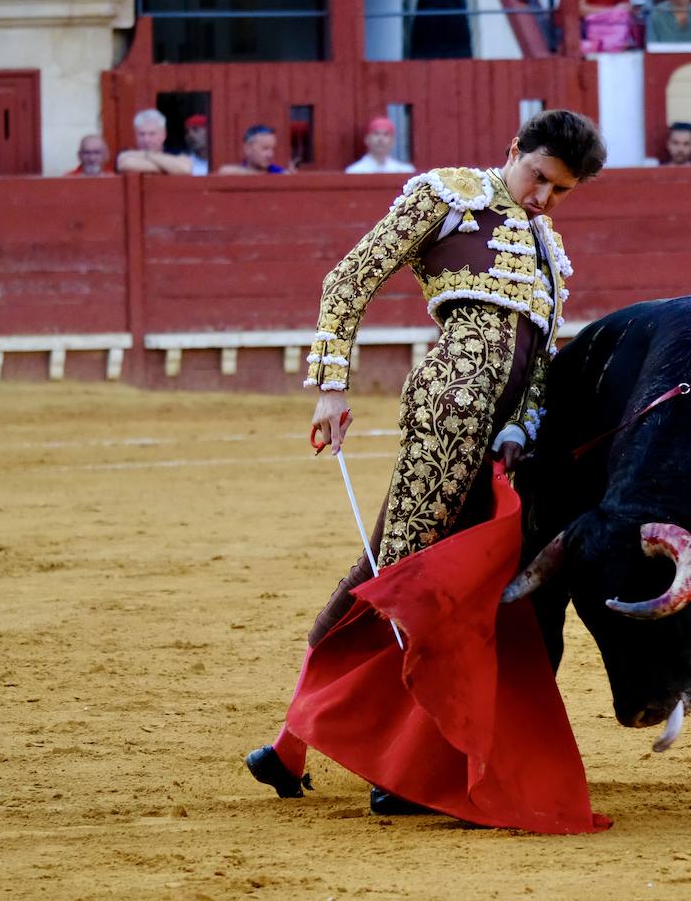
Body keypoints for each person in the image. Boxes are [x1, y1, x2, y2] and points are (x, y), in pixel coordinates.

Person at [244, 109, 606, 819]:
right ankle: (383, 765)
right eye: (539, 177)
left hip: (506, 445)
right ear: (514, 149)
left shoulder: (547, 250)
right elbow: (349, 279)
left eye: (560, 191)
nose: (543, 198)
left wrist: (523, 428)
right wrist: (331, 387)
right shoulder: (449, 194)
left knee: (425, 578)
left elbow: (539, 367)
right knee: (408, 575)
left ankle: (294, 747)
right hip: (447, 413)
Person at [116, 109, 194, 175]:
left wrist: (147, 155)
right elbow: (127, 163)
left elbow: (185, 169)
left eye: (152, 134)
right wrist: (169, 168)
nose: (146, 139)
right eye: (141, 134)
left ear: (163, 135)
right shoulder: (126, 153)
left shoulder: (176, 153)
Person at [345, 117, 416, 174]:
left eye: (386, 134)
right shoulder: (354, 171)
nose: (380, 139)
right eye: (376, 134)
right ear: (367, 139)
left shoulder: (405, 171)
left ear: (393, 141)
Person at [217, 125, 287, 175]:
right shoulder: (236, 171)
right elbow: (224, 171)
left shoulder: (278, 172)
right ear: (247, 149)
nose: (270, 154)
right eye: (265, 148)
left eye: (272, 149)